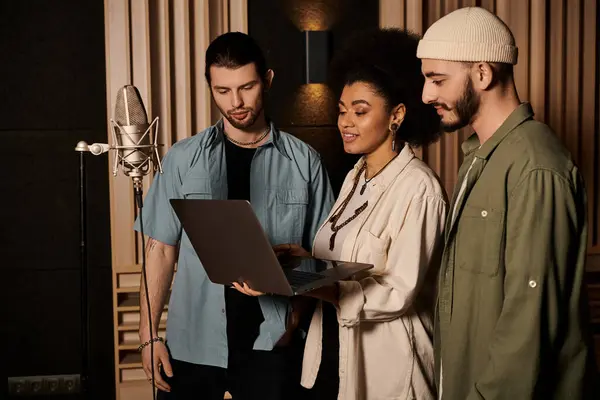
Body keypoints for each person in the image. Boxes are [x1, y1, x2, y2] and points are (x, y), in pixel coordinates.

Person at [236, 28, 447, 399]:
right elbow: (343, 259)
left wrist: (317, 284)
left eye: (360, 111)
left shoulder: (420, 189)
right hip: (331, 354)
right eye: (342, 110)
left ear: (397, 114)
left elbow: (398, 292)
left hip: (388, 368)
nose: (345, 122)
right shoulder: (355, 175)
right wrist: (300, 261)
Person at [135, 32, 335, 400]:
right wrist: (148, 335)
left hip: (272, 342)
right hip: (192, 343)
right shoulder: (182, 158)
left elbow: (320, 257)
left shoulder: (305, 162)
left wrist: (293, 324)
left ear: (268, 80)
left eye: (246, 87)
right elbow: (160, 249)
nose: (236, 102)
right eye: (222, 90)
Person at [417, 6, 597, 399]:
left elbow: (529, 318)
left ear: (482, 73)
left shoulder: (537, 167)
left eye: (437, 79)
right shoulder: (478, 158)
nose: (426, 94)